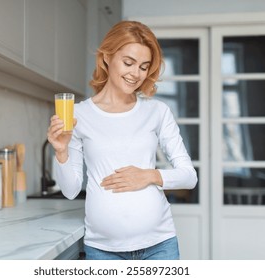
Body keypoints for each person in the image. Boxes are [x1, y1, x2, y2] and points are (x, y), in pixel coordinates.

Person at [47, 20, 197, 260]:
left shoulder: (157, 112)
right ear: (107, 57)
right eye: (128, 63)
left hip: (159, 246)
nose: (135, 74)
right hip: (104, 250)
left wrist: (148, 175)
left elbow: (189, 176)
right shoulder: (77, 115)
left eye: (143, 67)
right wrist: (61, 151)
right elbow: (71, 191)